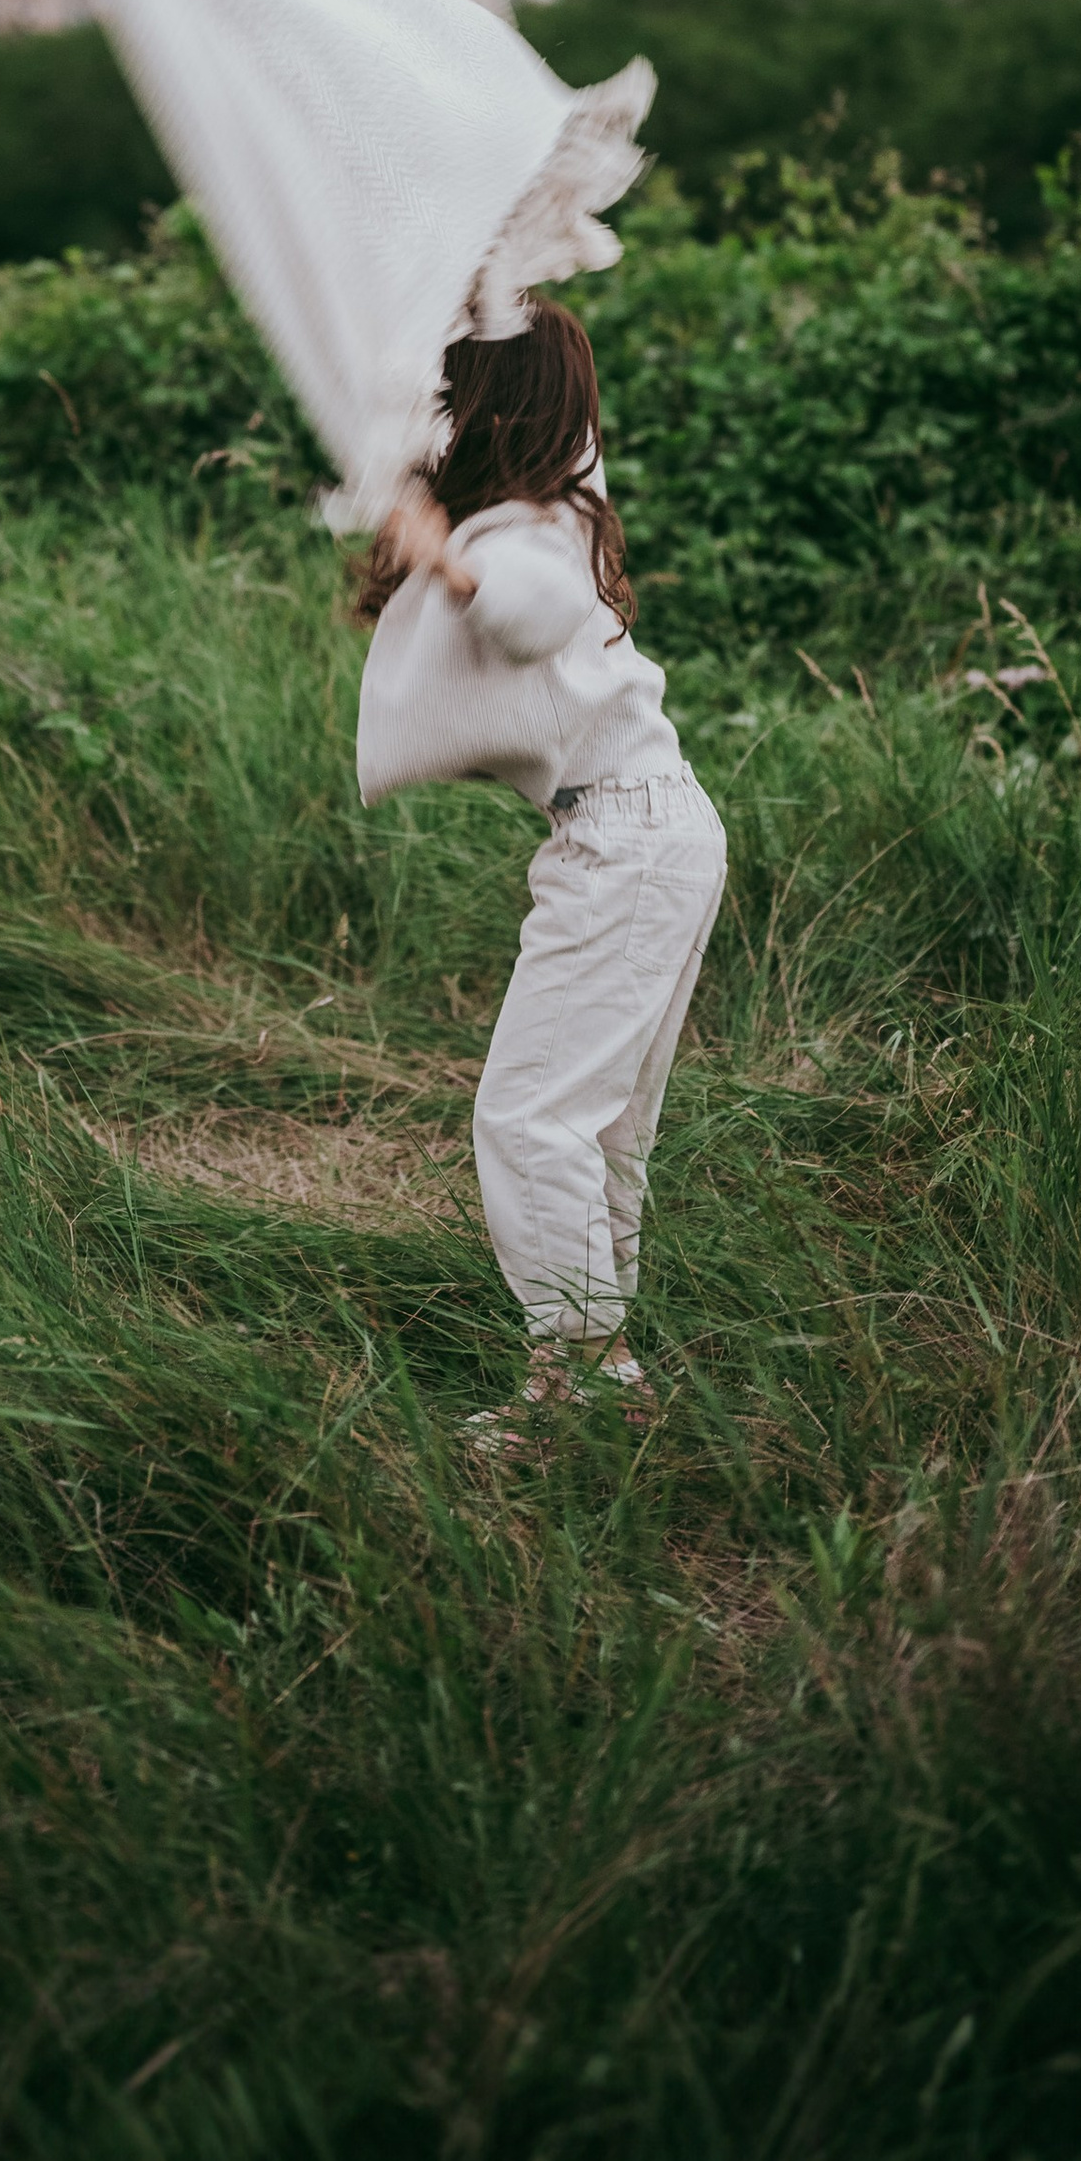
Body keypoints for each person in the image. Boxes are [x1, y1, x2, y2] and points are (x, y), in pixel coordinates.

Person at [351, 299, 724, 1452]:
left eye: (461, 394)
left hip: (626, 839)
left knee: (527, 1114)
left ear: (494, 408)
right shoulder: (561, 493)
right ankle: (605, 1374)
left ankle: (565, 1392)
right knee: (601, 1126)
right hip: (656, 829)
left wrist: (441, 557)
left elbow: (530, 608)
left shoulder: (525, 542)